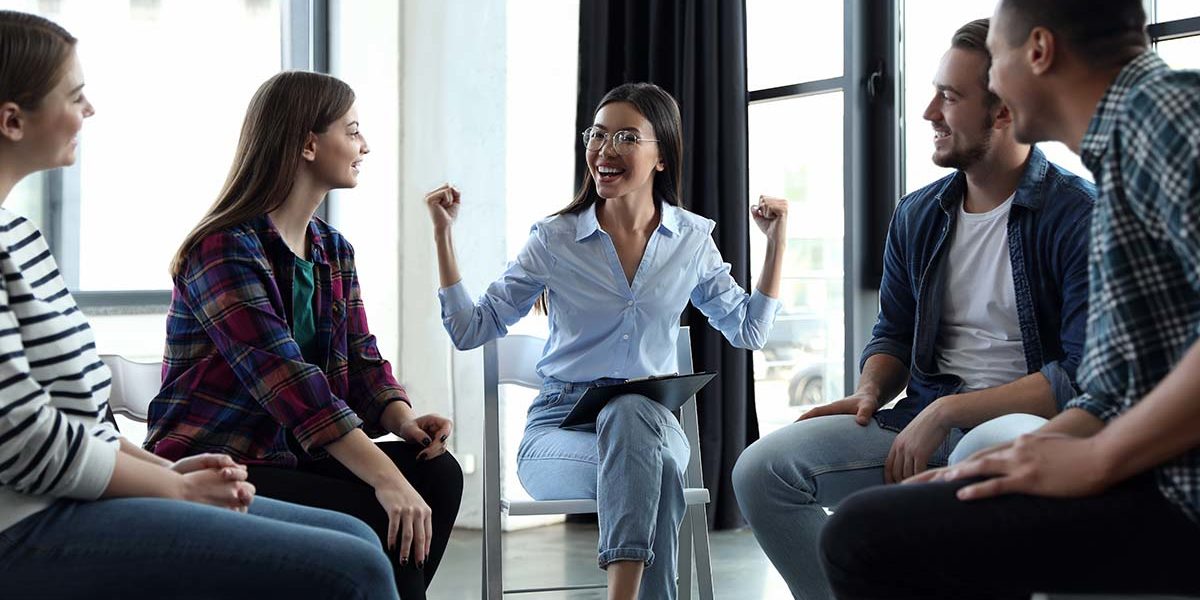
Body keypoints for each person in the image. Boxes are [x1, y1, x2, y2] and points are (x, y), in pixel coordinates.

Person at [0, 10, 398, 599]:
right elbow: (25, 440)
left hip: (72, 492)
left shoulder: (21, 236)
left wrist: (163, 472)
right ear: (12, 120)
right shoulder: (225, 246)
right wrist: (173, 487)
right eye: (76, 95)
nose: (90, 111)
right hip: (25, 519)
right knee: (354, 568)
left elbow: (79, 422)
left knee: (359, 542)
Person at [820, 1, 1200, 598]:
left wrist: (1097, 459)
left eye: (997, 62)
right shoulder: (1124, 149)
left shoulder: (1165, 113)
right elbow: (1117, 389)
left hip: (1177, 493)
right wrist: (1022, 454)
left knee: (863, 537)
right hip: (1152, 478)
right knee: (892, 518)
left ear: (1040, 52)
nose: (995, 90)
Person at [732, 18, 1095, 599]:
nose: (928, 112)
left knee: (981, 453)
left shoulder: (1076, 216)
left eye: (949, 97)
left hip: (1034, 430)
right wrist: (873, 389)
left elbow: (1079, 377)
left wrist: (951, 411)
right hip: (923, 419)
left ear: (1003, 113)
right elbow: (893, 332)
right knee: (762, 471)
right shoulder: (917, 215)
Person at [426, 82, 786, 600]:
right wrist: (442, 235)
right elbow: (470, 329)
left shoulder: (691, 240)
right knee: (653, 465)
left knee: (631, 414)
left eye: (624, 136)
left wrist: (775, 245)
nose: (604, 149)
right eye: (596, 134)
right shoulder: (554, 239)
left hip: (653, 424)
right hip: (558, 432)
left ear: (661, 155)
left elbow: (749, 329)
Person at [144, 70, 462, 599]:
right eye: (353, 130)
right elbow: (290, 384)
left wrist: (402, 421)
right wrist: (385, 477)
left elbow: (362, 362)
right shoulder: (223, 249)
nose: (365, 145)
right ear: (309, 143)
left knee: (438, 475)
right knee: (379, 508)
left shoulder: (331, 248)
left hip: (298, 457)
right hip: (224, 459)